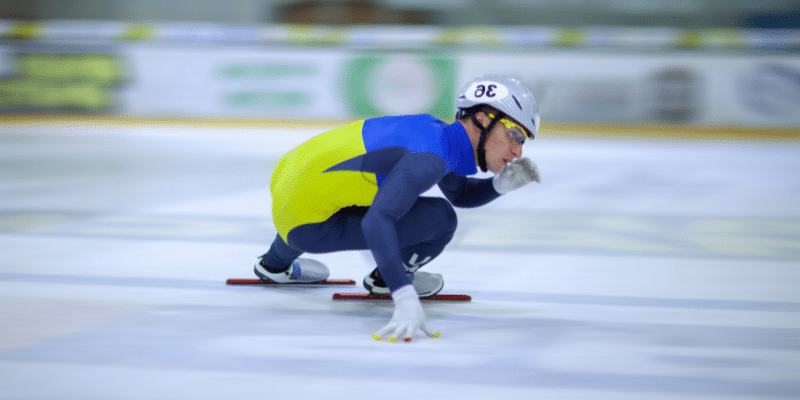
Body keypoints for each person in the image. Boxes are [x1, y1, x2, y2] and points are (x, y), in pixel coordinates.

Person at [254, 74, 541, 342]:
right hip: (307, 228)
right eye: (515, 135)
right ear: (481, 118)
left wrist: (498, 186)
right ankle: (384, 279)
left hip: (289, 185)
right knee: (439, 219)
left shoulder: (435, 135)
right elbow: (377, 222)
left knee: (344, 191)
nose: (518, 151)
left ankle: (273, 264)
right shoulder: (429, 159)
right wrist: (402, 294)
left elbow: (460, 193)